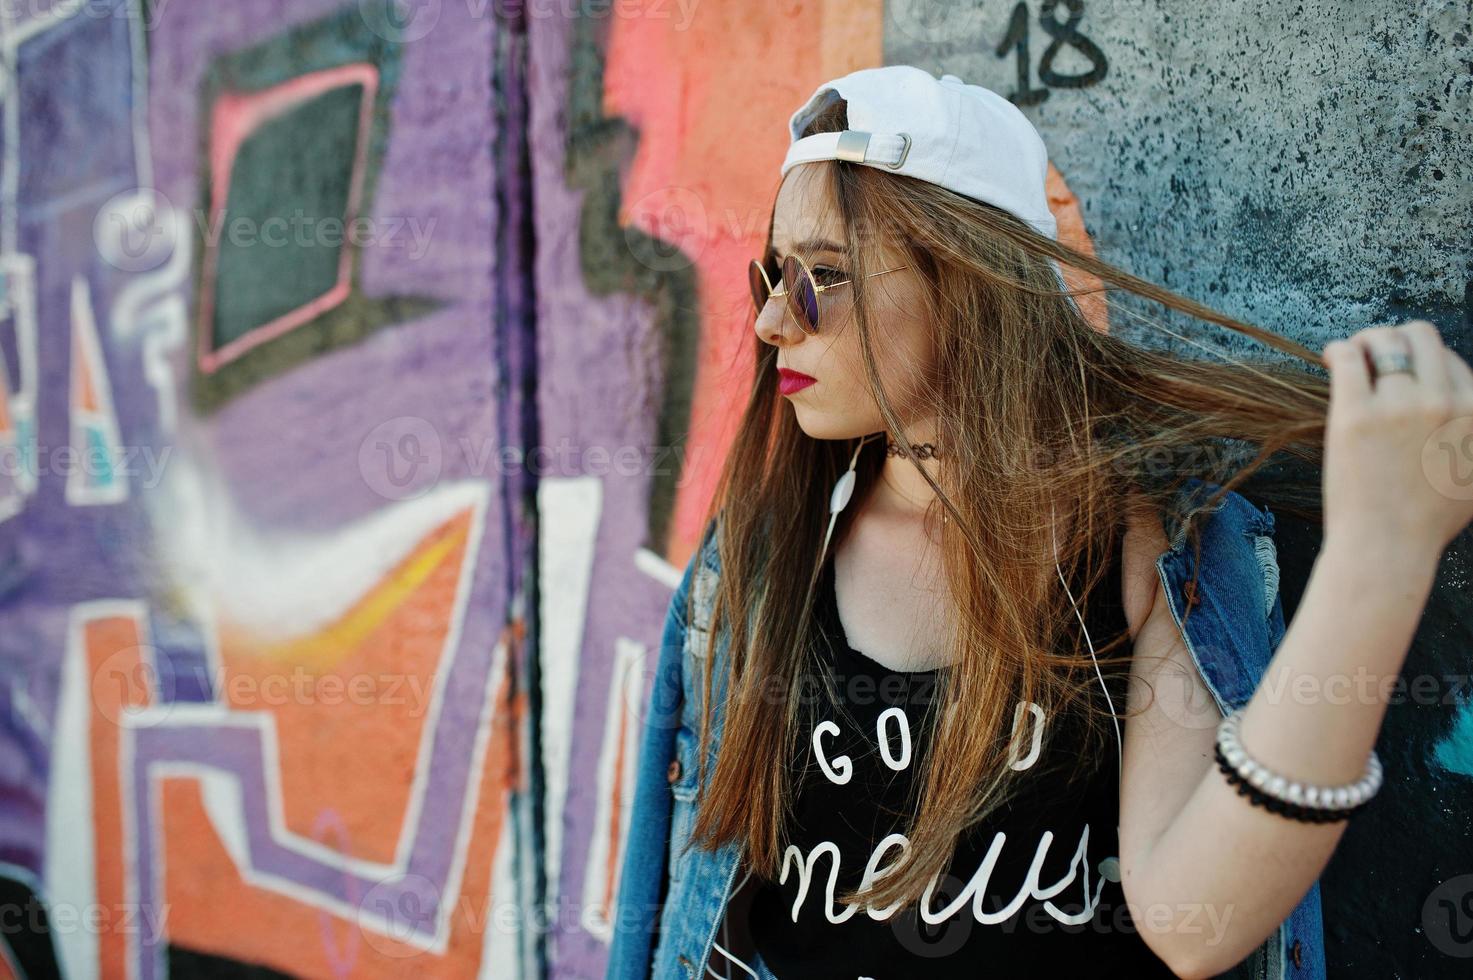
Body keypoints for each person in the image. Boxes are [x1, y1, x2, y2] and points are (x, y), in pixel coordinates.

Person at [606, 65, 1473, 980]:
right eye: (771, 276)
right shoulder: (755, 557)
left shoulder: (1146, 552)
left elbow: (1194, 923)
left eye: (825, 275)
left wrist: (1383, 553)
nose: (775, 320)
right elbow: (670, 904)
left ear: (975, 285)